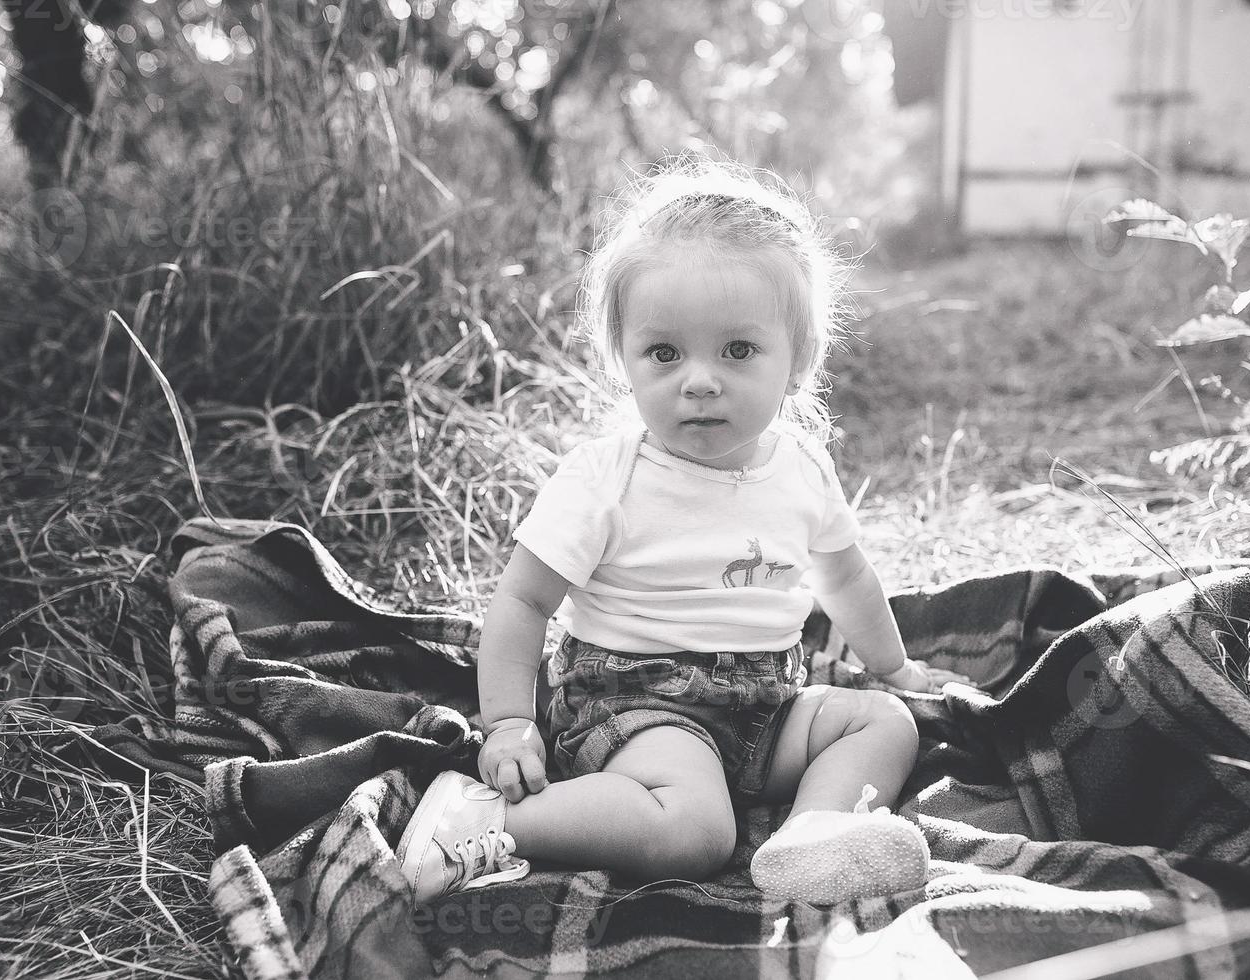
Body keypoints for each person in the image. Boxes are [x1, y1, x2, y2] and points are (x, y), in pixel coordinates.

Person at [397, 157, 971, 909]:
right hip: (633, 704)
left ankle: (812, 835)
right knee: (698, 832)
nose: (699, 380)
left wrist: (895, 670)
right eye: (665, 353)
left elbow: (847, 577)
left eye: (737, 350)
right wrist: (507, 723)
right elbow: (523, 601)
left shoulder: (801, 468)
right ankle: (491, 816)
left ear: (797, 360)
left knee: (883, 724)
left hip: (766, 708)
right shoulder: (610, 478)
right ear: (624, 359)